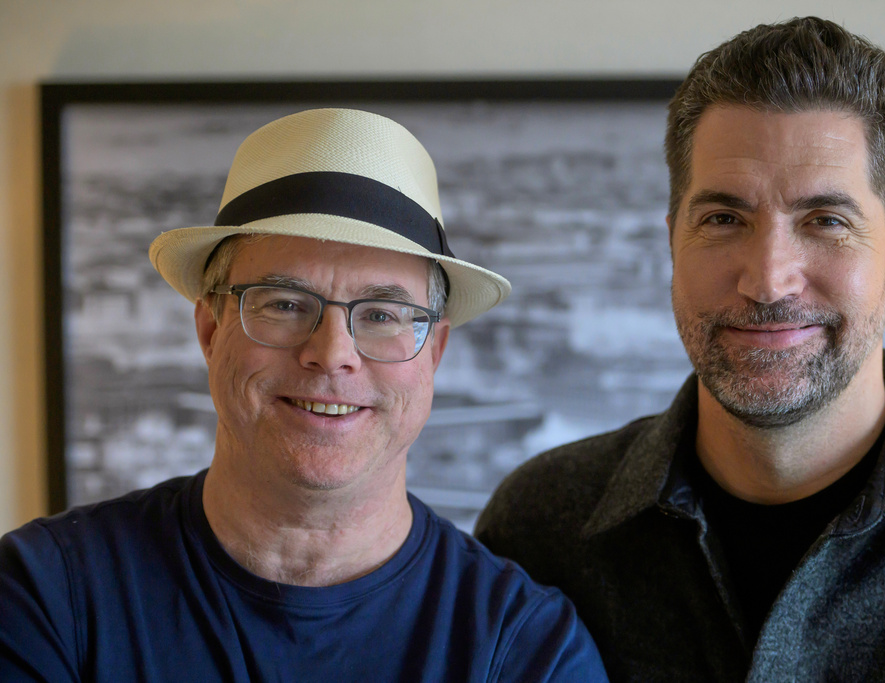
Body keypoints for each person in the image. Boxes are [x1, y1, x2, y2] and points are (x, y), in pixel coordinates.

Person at [476, 16, 885, 682]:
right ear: (672, 242)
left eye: (826, 220)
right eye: (724, 218)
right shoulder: (539, 530)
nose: (768, 278)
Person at [0, 108, 607, 682]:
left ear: (435, 353)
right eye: (285, 305)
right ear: (211, 330)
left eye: (382, 314)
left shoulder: (526, 647)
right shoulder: (45, 595)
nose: (332, 353)